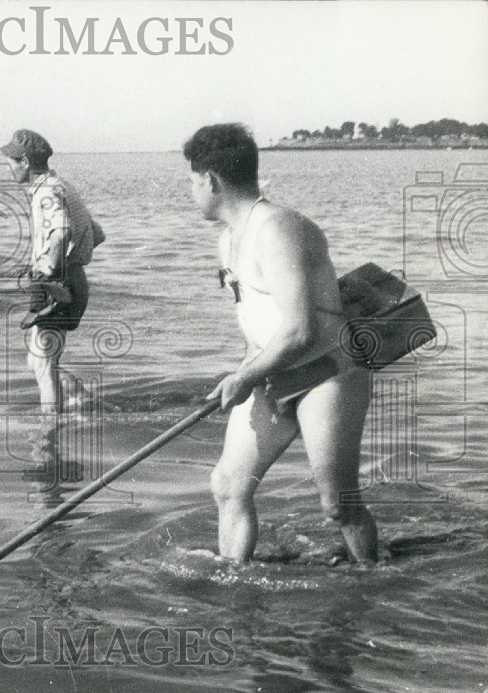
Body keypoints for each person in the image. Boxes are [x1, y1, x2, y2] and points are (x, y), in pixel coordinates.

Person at [184, 123, 378, 563]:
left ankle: (372, 583)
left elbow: (301, 331)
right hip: (274, 374)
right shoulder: (228, 240)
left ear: (210, 180)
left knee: (338, 505)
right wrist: (243, 372)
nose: (191, 192)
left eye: (192, 181)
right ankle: (233, 584)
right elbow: (259, 325)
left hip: (328, 373)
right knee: (228, 486)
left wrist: (246, 376)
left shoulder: (279, 229)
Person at [0, 129, 105, 414]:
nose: (8, 166)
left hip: (57, 285)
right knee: (37, 361)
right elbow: (97, 233)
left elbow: (61, 232)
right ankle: (80, 399)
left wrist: (47, 268)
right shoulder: (62, 185)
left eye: (10, 160)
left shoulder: (45, 192)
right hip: (72, 280)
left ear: (23, 161)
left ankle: (49, 435)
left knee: (44, 363)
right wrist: (68, 261)